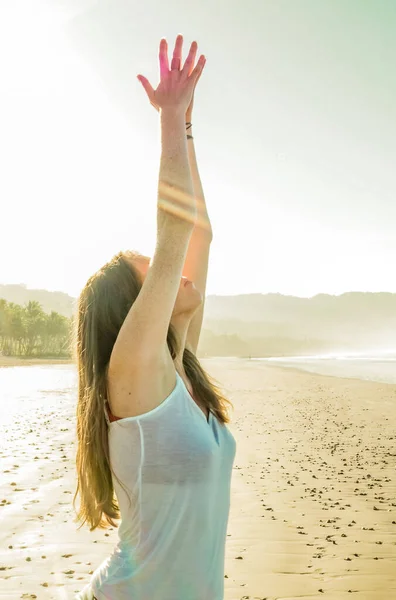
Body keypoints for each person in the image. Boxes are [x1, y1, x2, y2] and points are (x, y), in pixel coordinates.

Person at [73, 35, 236, 600]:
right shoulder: (135, 376)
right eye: (157, 273)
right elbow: (176, 231)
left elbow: (199, 234)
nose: (177, 274)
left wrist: (187, 125)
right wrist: (167, 118)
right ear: (136, 309)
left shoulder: (179, 368)